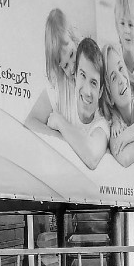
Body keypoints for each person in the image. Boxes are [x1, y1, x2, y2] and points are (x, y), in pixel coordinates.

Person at [44, 37, 110, 170]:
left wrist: (59, 122)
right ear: (75, 76)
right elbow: (31, 121)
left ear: (101, 91)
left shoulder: (101, 125)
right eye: (82, 75)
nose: (87, 91)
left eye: (93, 83)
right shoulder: (63, 95)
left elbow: (92, 157)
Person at [25, 8, 80, 136]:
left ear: (76, 40)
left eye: (72, 54)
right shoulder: (58, 86)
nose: (72, 68)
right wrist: (60, 136)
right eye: (65, 66)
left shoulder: (93, 67)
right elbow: (30, 122)